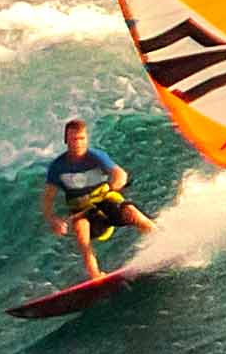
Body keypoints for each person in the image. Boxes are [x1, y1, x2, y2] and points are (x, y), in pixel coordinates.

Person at [38, 118, 153, 280]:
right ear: (66, 140)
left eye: (81, 138)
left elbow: (120, 174)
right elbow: (48, 198)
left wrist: (117, 182)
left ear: (86, 139)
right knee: (80, 228)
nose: (78, 143)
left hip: (105, 201)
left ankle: (162, 239)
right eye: (73, 139)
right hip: (82, 211)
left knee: (131, 211)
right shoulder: (57, 166)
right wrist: (52, 219)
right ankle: (95, 275)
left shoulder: (96, 156)